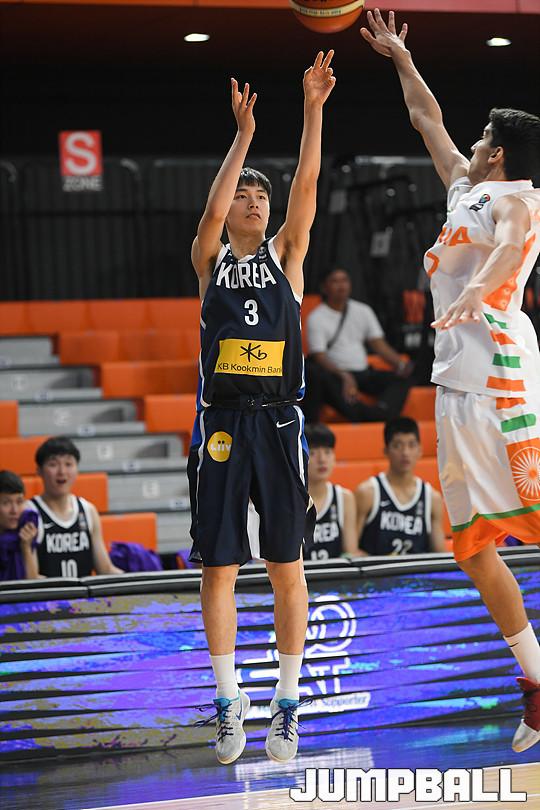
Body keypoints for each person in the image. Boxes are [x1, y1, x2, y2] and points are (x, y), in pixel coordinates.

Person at [362, 8, 540, 752]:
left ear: (498, 153)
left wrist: (474, 290)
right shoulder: (466, 187)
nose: (470, 141)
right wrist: (401, 58)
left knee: (532, 512)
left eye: (482, 137)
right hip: (455, 377)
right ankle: (537, 680)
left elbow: (508, 249)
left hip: (496, 369)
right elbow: (426, 118)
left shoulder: (519, 199)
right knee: (470, 544)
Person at [188, 53, 336, 765]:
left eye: (259, 196)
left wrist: (312, 108)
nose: (252, 202)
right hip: (222, 424)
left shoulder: (288, 256)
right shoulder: (210, 258)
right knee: (218, 568)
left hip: (278, 421)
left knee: (286, 564)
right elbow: (212, 211)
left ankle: (285, 703)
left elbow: (306, 182)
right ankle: (227, 705)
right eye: (244, 194)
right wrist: (243, 137)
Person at [303, 267, 412, 423]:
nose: (341, 285)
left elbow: (378, 344)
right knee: (318, 378)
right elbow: (319, 356)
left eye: (344, 280)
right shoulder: (317, 317)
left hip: (363, 373)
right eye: (335, 281)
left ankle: (381, 411)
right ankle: (368, 415)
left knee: (400, 380)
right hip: (336, 374)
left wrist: (400, 364)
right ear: (324, 287)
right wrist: (344, 376)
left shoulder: (363, 310)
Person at [25, 436, 122, 578]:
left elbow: (105, 569)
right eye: (53, 464)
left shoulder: (88, 511)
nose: (62, 471)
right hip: (49, 593)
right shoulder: (30, 512)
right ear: (39, 470)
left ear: (77, 469)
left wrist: (140, 578)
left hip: (84, 593)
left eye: (68, 464)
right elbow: (31, 578)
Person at [356, 418, 445, 555]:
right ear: (386, 450)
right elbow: (351, 550)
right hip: (377, 568)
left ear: (420, 450)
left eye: (411, 445)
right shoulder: (367, 493)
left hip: (416, 569)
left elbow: (439, 554)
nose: (405, 452)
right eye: (397, 445)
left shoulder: (432, 498)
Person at [303, 424, 357, 560]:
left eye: (327, 452)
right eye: (313, 453)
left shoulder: (344, 498)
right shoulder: (288, 500)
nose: (322, 459)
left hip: (335, 572)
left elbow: (351, 553)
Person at [0, 470, 39, 580]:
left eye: (19, 502)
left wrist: (25, 547)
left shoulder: (27, 530)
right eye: (6, 503)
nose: (14, 510)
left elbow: (33, 584)